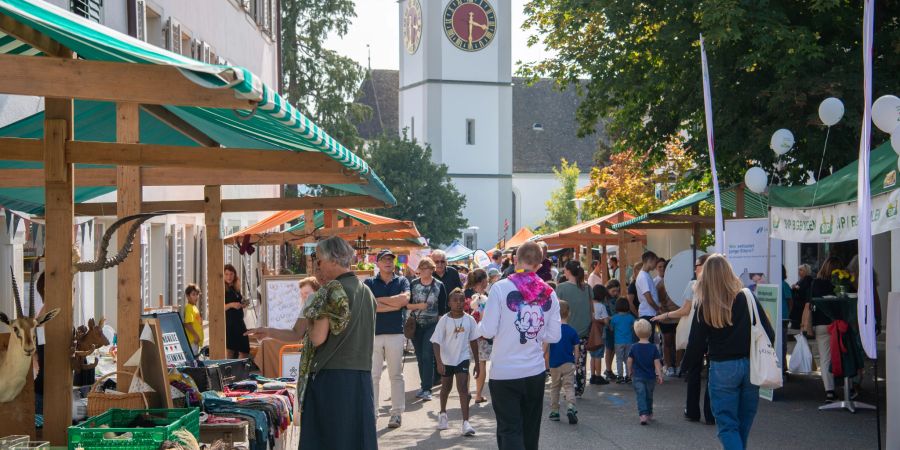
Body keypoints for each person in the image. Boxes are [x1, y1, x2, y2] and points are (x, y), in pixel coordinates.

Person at [684, 254, 775, 450]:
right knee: (742, 423)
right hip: (751, 366)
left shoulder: (704, 303)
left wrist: (686, 367)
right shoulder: (747, 297)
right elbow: (769, 333)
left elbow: (696, 343)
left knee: (727, 425)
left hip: (722, 367)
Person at [479, 241, 561, 450]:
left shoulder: (499, 288)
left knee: (509, 430)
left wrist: (480, 322)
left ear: (515, 260)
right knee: (530, 430)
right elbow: (554, 336)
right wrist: (535, 330)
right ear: (540, 263)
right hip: (534, 371)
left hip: (504, 372)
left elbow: (487, 331)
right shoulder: (550, 293)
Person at [299, 236, 377, 449]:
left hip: (332, 375)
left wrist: (312, 314)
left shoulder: (333, 290)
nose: (318, 266)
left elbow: (317, 338)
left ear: (333, 260)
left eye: (320, 260)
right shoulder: (366, 291)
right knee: (356, 440)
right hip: (361, 375)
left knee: (329, 440)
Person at [652, 253, 713, 424]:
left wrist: (665, 315)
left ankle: (692, 411)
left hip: (698, 332)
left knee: (694, 371)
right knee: (712, 373)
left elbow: (685, 310)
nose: (695, 268)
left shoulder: (694, 285)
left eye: (697, 265)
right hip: (715, 334)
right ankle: (710, 413)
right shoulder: (719, 286)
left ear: (705, 266)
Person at [364, 249, 411, 429]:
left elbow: (404, 301)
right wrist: (393, 303)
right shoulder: (369, 282)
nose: (388, 262)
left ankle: (397, 413)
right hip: (374, 334)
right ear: (377, 263)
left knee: (395, 375)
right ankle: (373, 412)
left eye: (390, 259)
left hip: (395, 333)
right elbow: (370, 306)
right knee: (373, 375)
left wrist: (381, 301)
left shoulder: (402, 280)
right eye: (384, 260)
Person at [431, 288, 480, 436]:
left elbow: (473, 341)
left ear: (466, 302)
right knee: (445, 388)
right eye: (455, 300)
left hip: (462, 358)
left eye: (461, 300)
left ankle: (466, 423)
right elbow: (435, 342)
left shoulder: (469, 320)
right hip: (446, 360)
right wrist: (439, 362)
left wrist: (477, 362)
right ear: (449, 303)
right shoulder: (444, 320)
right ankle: (443, 414)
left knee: (463, 389)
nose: (459, 303)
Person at [407, 257, 448, 401]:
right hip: (416, 325)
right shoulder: (413, 284)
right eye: (423, 268)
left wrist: (441, 326)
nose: (426, 271)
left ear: (432, 269)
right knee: (419, 356)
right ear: (419, 269)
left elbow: (443, 308)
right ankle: (423, 385)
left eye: (429, 268)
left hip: (432, 325)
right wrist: (418, 306)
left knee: (427, 355)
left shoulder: (439, 285)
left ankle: (426, 388)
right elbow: (407, 305)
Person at [805, 256, 842, 402]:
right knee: (843, 355)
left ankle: (830, 392)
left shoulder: (816, 283)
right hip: (839, 324)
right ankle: (848, 387)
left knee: (825, 358)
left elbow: (810, 303)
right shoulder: (840, 282)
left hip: (821, 324)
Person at [555, 260, 592, 397]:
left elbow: (556, 310)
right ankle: (579, 387)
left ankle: (568, 387)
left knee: (565, 360)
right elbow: (591, 309)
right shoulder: (587, 288)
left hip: (565, 330)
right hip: (584, 330)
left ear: (568, 271)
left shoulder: (561, 288)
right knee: (580, 361)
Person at [245, 277, 320, 343]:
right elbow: (296, 334)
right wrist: (268, 332)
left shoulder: (323, 309)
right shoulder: (305, 311)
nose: (304, 297)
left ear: (317, 292)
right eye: (302, 294)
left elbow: (318, 339)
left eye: (307, 293)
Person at [544, 300, 580, 424]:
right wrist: (575, 361)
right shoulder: (572, 331)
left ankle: (555, 411)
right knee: (569, 386)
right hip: (568, 363)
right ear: (568, 314)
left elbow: (545, 346)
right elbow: (576, 348)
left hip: (554, 364)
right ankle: (571, 406)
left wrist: (542, 357)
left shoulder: (552, 330)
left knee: (555, 387)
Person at [628, 319, 664, 425]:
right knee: (649, 395)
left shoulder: (634, 347)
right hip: (650, 377)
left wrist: (629, 370)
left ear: (636, 332)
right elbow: (657, 363)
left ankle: (643, 414)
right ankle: (649, 412)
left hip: (637, 376)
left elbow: (629, 361)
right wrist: (660, 375)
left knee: (640, 394)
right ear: (650, 332)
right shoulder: (653, 347)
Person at [465, 269, 492, 403]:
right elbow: (484, 317)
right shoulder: (485, 297)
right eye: (486, 279)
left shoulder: (465, 293)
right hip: (481, 334)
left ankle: (466, 392)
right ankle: (478, 395)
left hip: (465, 333)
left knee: (465, 363)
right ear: (482, 281)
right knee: (481, 363)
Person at [654, 258, 678, 376]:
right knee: (668, 343)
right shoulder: (661, 284)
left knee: (677, 343)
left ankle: (677, 366)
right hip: (667, 318)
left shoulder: (679, 281)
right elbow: (660, 301)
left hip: (678, 317)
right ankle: (669, 366)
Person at [224, 264, 250, 359]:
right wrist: (231, 305)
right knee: (230, 351)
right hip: (229, 323)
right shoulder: (221, 289)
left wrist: (243, 303)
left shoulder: (235, 288)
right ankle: (228, 371)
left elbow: (240, 301)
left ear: (234, 275)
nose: (229, 277)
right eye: (226, 274)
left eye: (231, 274)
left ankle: (240, 370)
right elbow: (219, 308)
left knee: (245, 349)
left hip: (239, 322)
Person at [635, 251, 662, 341]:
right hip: (647, 313)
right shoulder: (643, 276)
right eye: (655, 262)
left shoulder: (646, 275)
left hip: (650, 313)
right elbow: (649, 298)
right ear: (649, 261)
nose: (655, 265)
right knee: (648, 341)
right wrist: (658, 309)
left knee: (651, 340)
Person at [588, 284, 611, 385]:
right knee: (598, 356)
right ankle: (598, 376)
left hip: (590, 334)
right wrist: (604, 319)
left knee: (592, 356)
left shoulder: (588, 305)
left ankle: (592, 375)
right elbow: (606, 321)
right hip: (600, 334)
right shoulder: (601, 306)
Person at [610, 298, 636, 383]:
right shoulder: (630, 317)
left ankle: (620, 376)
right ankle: (628, 376)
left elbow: (611, 328)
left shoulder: (614, 318)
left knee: (619, 359)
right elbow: (635, 326)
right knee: (628, 359)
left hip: (618, 342)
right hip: (629, 341)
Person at [602, 280, 621, 381]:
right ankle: (608, 370)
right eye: (613, 291)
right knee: (609, 349)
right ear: (608, 290)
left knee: (613, 349)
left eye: (617, 291)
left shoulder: (617, 299)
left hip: (616, 327)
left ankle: (609, 369)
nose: (615, 293)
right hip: (608, 328)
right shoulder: (605, 301)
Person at [790, 264, 814, 330]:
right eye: (798, 270)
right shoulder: (801, 280)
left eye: (801, 270)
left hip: (802, 306)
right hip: (798, 306)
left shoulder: (808, 279)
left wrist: (797, 287)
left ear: (806, 271)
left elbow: (804, 290)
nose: (799, 272)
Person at [183, 284, 204, 355]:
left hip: (196, 341)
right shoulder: (189, 307)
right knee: (192, 362)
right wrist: (196, 336)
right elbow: (187, 324)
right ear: (188, 296)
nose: (196, 297)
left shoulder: (194, 307)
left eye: (197, 294)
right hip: (192, 341)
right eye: (193, 294)